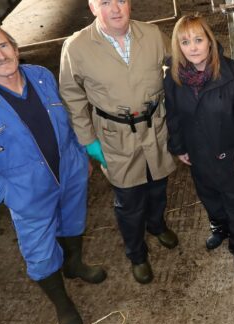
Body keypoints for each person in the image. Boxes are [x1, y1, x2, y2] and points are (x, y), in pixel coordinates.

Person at [0, 22, 106, 324]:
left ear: (15, 48)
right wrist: (5, 191)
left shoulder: (41, 76)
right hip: (26, 189)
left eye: (4, 45)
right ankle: (62, 302)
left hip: (70, 170)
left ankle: (74, 264)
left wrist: (80, 154)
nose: (0, 55)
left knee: (73, 221)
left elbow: (68, 119)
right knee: (40, 249)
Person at [59, 0, 178, 284]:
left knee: (158, 185)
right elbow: (72, 97)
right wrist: (88, 141)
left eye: (121, 0)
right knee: (128, 200)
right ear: (92, 8)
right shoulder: (76, 47)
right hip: (114, 135)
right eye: (105, 2)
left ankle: (157, 224)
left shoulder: (151, 35)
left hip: (155, 127)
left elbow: (178, 67)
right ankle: (137, 254)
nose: (115, 8)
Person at [164, 15, 234, 276]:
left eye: (198, 39)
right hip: (198, 156)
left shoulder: (232, 75)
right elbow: (173, 115)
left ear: (210, 41)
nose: (193, 47)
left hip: (231, 157)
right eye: (185, 42)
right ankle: (220, 229)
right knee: (208, 196)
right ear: (178, 46)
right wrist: (179, 146)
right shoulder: (175, 77)